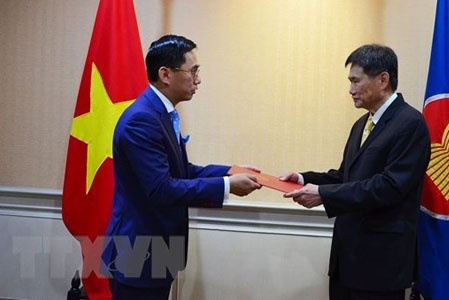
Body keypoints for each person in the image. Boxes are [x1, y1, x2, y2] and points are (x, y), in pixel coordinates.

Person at [101, 34, 261, 299]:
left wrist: (230, 172)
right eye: (193, 71)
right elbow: (161, 189)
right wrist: (226, 186)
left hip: (155, 252)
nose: (198, 80)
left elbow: (183, 172)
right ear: (166, 74)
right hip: (138, 253)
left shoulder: (160, 114)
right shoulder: (142, 119)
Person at [282, 44, 430, 300]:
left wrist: (324, 195)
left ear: (383, 80)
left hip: (380, 264)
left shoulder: (411, 124)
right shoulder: (362, 123)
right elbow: (345, 177)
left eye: (355, 81)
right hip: (346, 259)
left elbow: (390, 187)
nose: (350, 90)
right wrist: (305, 179)